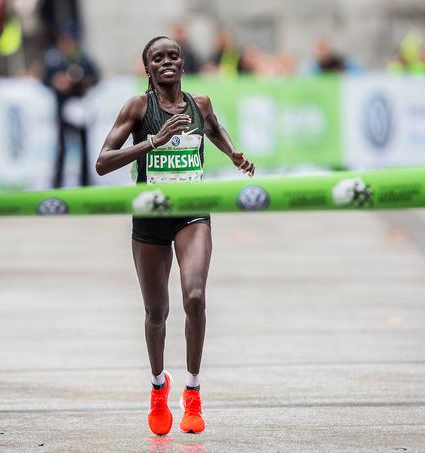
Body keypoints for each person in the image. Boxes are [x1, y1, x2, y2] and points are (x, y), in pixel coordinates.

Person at [95, 36, 254, 436]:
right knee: (156, 313)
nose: (166, 62)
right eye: (157, 58)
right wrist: (154, 141)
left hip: (192, 213)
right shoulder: (137, 107)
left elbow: (215, 129)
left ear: (183, 64)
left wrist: (233, 153)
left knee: (195, 297)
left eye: (173, 56)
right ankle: (157, 388)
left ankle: (194, 392)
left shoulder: (200, 104)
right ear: (147, 68)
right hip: (150, 217)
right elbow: (102, 162)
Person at [42, 27, 99, 187]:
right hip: (62, 108)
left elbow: (94, 77)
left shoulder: (83, 59)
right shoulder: (54, 58)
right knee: (61, 148)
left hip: (80, 109)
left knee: (84, 147)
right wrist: (56, 82)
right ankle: (57, 183)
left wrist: (82, 82)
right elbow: (45, 79)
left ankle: (85, 182)